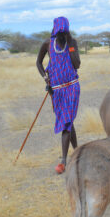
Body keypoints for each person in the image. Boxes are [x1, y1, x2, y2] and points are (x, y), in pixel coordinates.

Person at [36, 16, 81, 174]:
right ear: (55, 30)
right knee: (67, 121)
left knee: (66, 122)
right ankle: (78, 153)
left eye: (65, 32)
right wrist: (45, 76)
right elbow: (38, 63)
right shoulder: (48, 44)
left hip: (72, 88)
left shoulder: (72, 43)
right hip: (56, 90)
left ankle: (63, 160)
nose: (62, 35)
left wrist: (69, 44)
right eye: (60, 32)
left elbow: (77, 64)